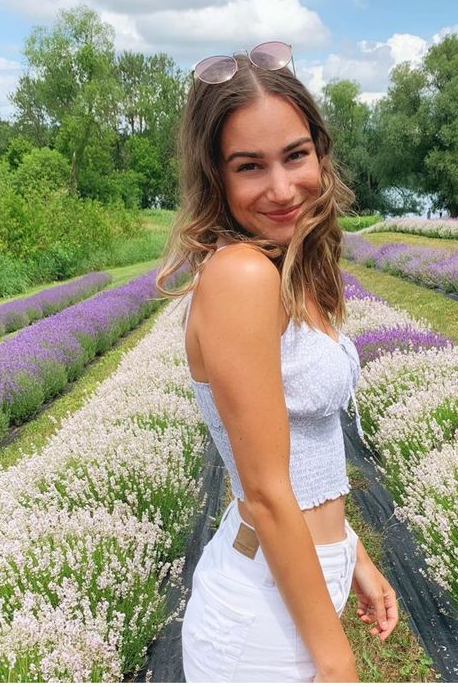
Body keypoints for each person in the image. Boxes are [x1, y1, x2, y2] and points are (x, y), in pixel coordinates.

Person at [155, 42, 398, 682]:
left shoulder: (290, 267)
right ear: (217, 176)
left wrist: (354, 555)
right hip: (260, 617)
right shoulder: (238, 275)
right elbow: (263, 490)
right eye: (250, 166)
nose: (284, 188)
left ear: (318, 149)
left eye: (295, 155)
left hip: (301, 580)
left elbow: (309, 455)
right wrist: (337, 661)